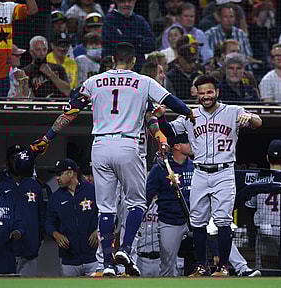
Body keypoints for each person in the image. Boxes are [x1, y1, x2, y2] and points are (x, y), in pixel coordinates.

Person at [29, 42, 195, 277]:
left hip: (100, 145)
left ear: (114, 59)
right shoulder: (143, 81)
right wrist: (189, 112)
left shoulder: (94, 81)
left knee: (105, 209)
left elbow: (70, 112)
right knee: (136, 203)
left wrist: (47, 138)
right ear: (134, 61)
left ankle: (107, 263)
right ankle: (125, 249)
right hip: (128, 144)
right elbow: (171, 102)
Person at [156, 75, 262, 277]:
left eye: (209, 92)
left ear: (217, 92)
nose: (206, 96)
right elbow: (168, 130)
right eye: (202, 93)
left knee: (223, 220)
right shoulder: (191, 115)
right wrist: (161, 116)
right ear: (196, 94)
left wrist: (250, 117)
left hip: (224, 171)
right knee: (197, 221)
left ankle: (223, 267)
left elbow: (258, 122)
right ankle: (202, 265)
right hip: (200, 172)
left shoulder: (232, 111)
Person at [146, 133, 193, 277]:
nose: (191, 145)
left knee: (218, 236)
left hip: (194, 219)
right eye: (188, 143)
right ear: (177, 146)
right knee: (167, 265)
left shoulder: (196, 166)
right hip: (170, 220)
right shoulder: (160, 168)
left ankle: (242, 268)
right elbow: (147, 195)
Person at [0, 145, 45, 276]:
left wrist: (38, 240)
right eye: (14, 159)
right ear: (7, 162)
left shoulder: (34, 185)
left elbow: (41, 216)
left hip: (30, 249)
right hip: (6, 250)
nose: (18, 162)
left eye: (21, 159)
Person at [46, 158, 99, 276]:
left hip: (93, 257)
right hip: (69, 259)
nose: (57, 178)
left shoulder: (93, 190)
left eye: (60, 174)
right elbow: (48, 223)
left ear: (71, 173)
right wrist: (56, 234)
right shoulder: (55, 198)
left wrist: (99, 230)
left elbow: (108, 214)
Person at [245, 139, 281, 269]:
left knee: (266, 269)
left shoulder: (257, 180)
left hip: (264, 228)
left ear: (267, 158)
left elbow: (249, 208)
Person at [101, 0, 156, 72]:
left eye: (129, 1)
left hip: (138, 70)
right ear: (117, 2)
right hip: (113, 70)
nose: (126, 4)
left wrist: (127, 38)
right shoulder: (109, 19)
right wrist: (139, 40)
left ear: (134, 2)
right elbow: (115, 44)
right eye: (123, 1)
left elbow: (151, 44)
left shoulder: (140, 20)